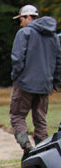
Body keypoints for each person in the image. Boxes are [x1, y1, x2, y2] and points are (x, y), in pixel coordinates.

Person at [10, 4, 61, 153]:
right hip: (45, 85)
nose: (20, 23)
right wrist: (54, 83)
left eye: (21, 19)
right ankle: (44, 151)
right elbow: (59, 62)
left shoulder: (24, 33)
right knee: (40, 121)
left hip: (24, 84)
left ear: (28, 17)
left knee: (17, 116)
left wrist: (15, 77)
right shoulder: (52, 36)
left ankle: (26, 145)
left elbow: (17, 59)